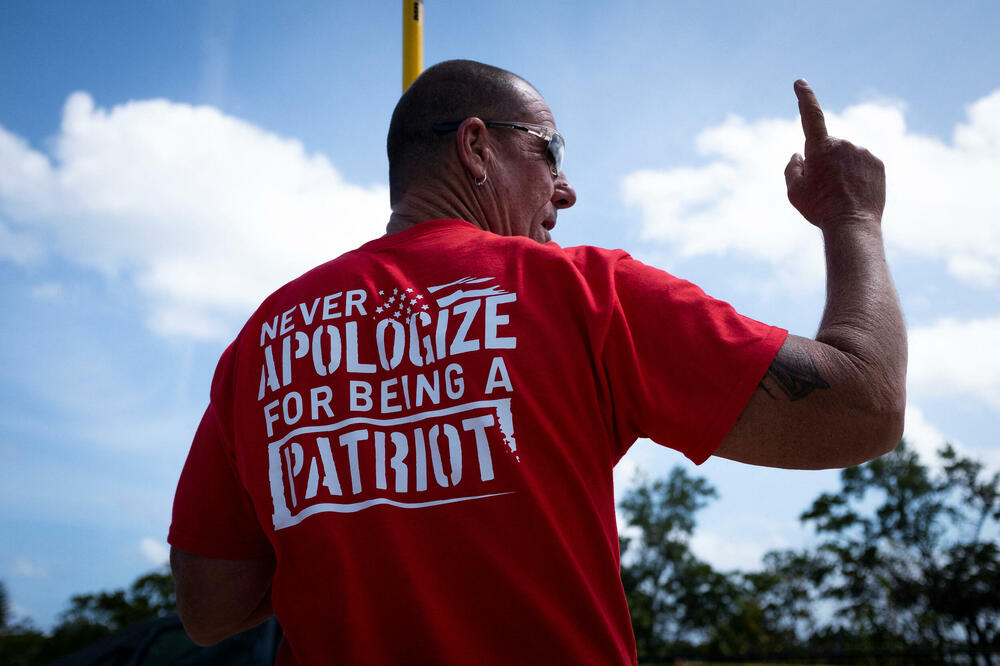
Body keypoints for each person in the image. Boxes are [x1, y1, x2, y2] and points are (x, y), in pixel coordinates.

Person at [168, 60, 906, 665]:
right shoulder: (586, 295)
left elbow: (210, 607)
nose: (565, 189)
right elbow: (862, 407)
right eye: (551, 152)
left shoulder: (265, 339)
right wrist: (852, 218)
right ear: (477, 146)